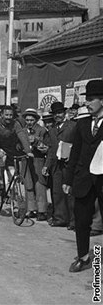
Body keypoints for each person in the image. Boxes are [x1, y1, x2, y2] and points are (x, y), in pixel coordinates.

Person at [63, 80, 103, 273]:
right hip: (83, 179)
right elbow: (75, 152)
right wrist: (68, 179)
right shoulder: (82, 123)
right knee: (81, 220)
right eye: (86, 99)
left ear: (102, 101)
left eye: (91, 99)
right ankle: (84, 257)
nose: (87, 103)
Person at [44, 101, 76, 229]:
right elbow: (51, 150)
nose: (58, 115)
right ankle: (60, 218)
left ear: (65, 113)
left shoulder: (73, 126)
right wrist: (47, 166)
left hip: (69, 164)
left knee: (70, 193)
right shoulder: (52, 130)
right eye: (55, 113)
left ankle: (73, 221)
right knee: (57, 192)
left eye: (60, 113)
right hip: (56, 165)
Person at [0, 105, 33, 194]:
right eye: (6, 115)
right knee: (2, 158)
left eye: (10, 115)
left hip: (10, 148)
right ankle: (0, 180)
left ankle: (12, 194)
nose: (9, 117)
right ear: (2, 115)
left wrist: (28, 151)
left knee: (12, 171)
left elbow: (22, 136)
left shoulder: (16, 124)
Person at [22, 108, 50, 221]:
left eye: (31, 120)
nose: (29, 122)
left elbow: (47, 145)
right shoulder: (22, 131)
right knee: (28, 184)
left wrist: (37, 141)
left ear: (36, 120)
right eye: (27, 120)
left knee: (40, 184)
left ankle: (42, 210)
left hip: (38, 159)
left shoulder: (42, 130)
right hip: (25, 160)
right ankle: (31, 209)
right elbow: (17, 145)